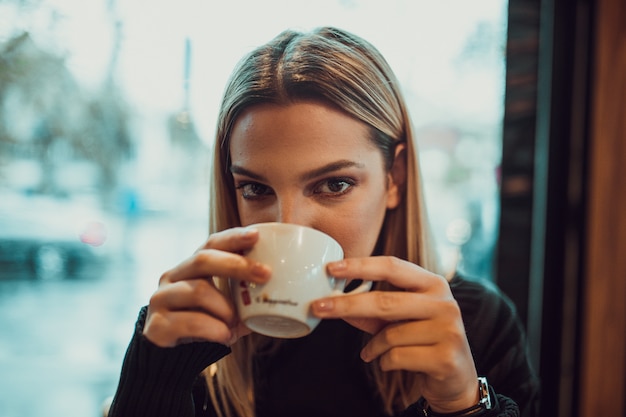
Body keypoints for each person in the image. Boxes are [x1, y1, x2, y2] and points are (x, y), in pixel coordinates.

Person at [108, 26, 539, 417]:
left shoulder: (475, 324)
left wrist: (462, 405)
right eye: (255, 189)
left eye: (333, 184)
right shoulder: (201, 333)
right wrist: (153, 378)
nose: (293, 225)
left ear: (395, 178)